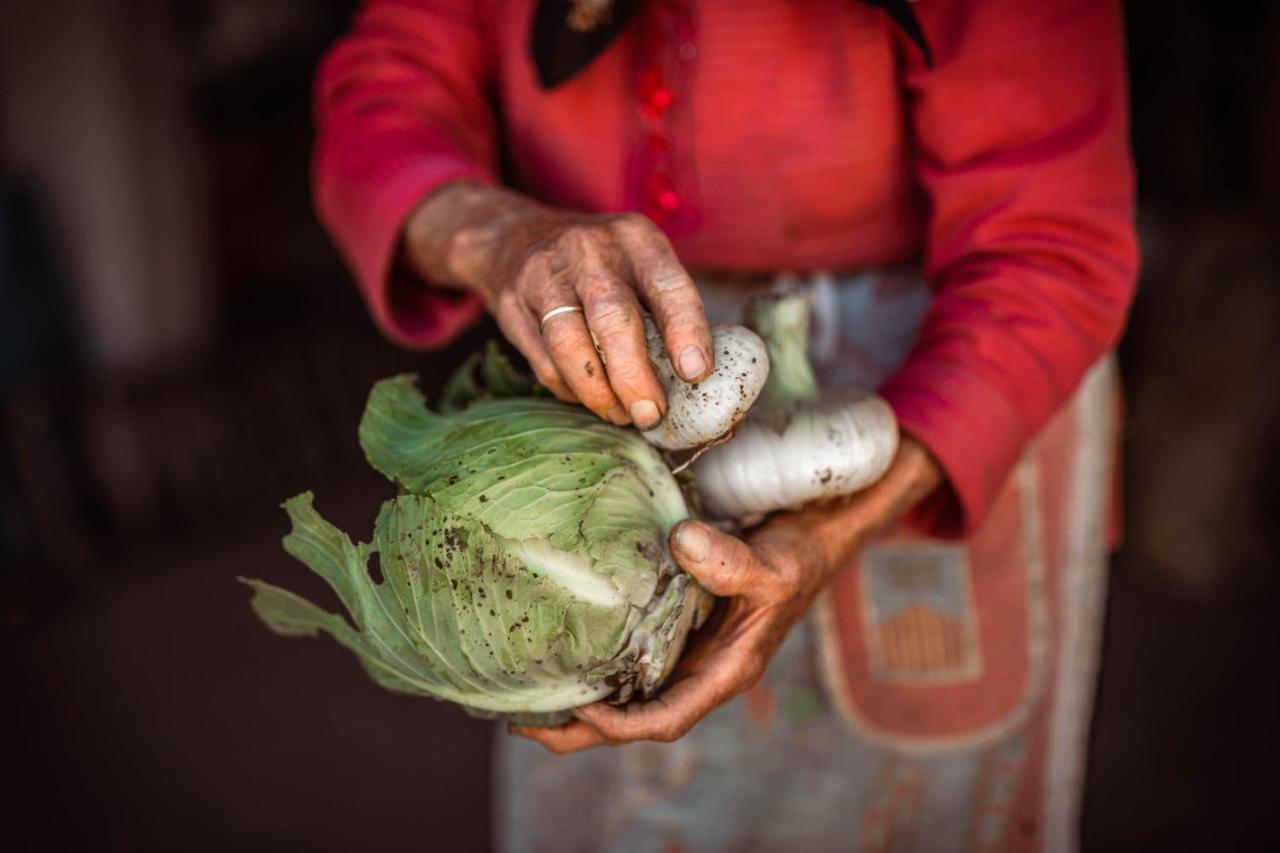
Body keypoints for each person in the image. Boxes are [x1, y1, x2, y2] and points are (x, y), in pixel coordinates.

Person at [313, 1, 1137, 849]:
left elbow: (1052, 248)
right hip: (589, 364)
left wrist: (829, 530)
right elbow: (384, 93)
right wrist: (493, 234)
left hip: (945, 385)